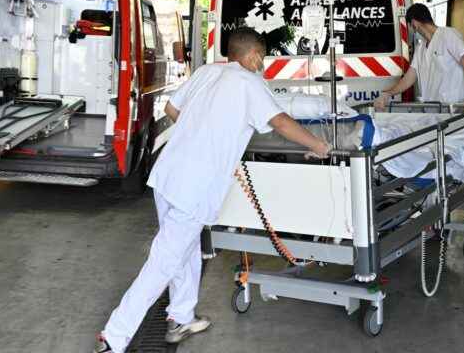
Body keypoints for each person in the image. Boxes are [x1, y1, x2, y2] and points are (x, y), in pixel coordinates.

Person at [93, 28, 331, 353]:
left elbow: (172, 110)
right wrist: (318, 145)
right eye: (262, 57)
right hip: (195, 184)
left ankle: (180, 317)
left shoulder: (206, 72)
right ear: (254, 57)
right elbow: (281, 123)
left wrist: (207, 131)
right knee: (164, 260)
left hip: (168, 174)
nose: (262, 63)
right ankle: (114, 337)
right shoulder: (250, 83)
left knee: (185, 249)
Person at [374, 3, 464, 110]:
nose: (412, 29)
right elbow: (408, 79)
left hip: (455, 108)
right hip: (435, 109)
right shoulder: (421, 48)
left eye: (410, 25)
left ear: (414, 22)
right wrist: (388, 94)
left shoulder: (448, 35)